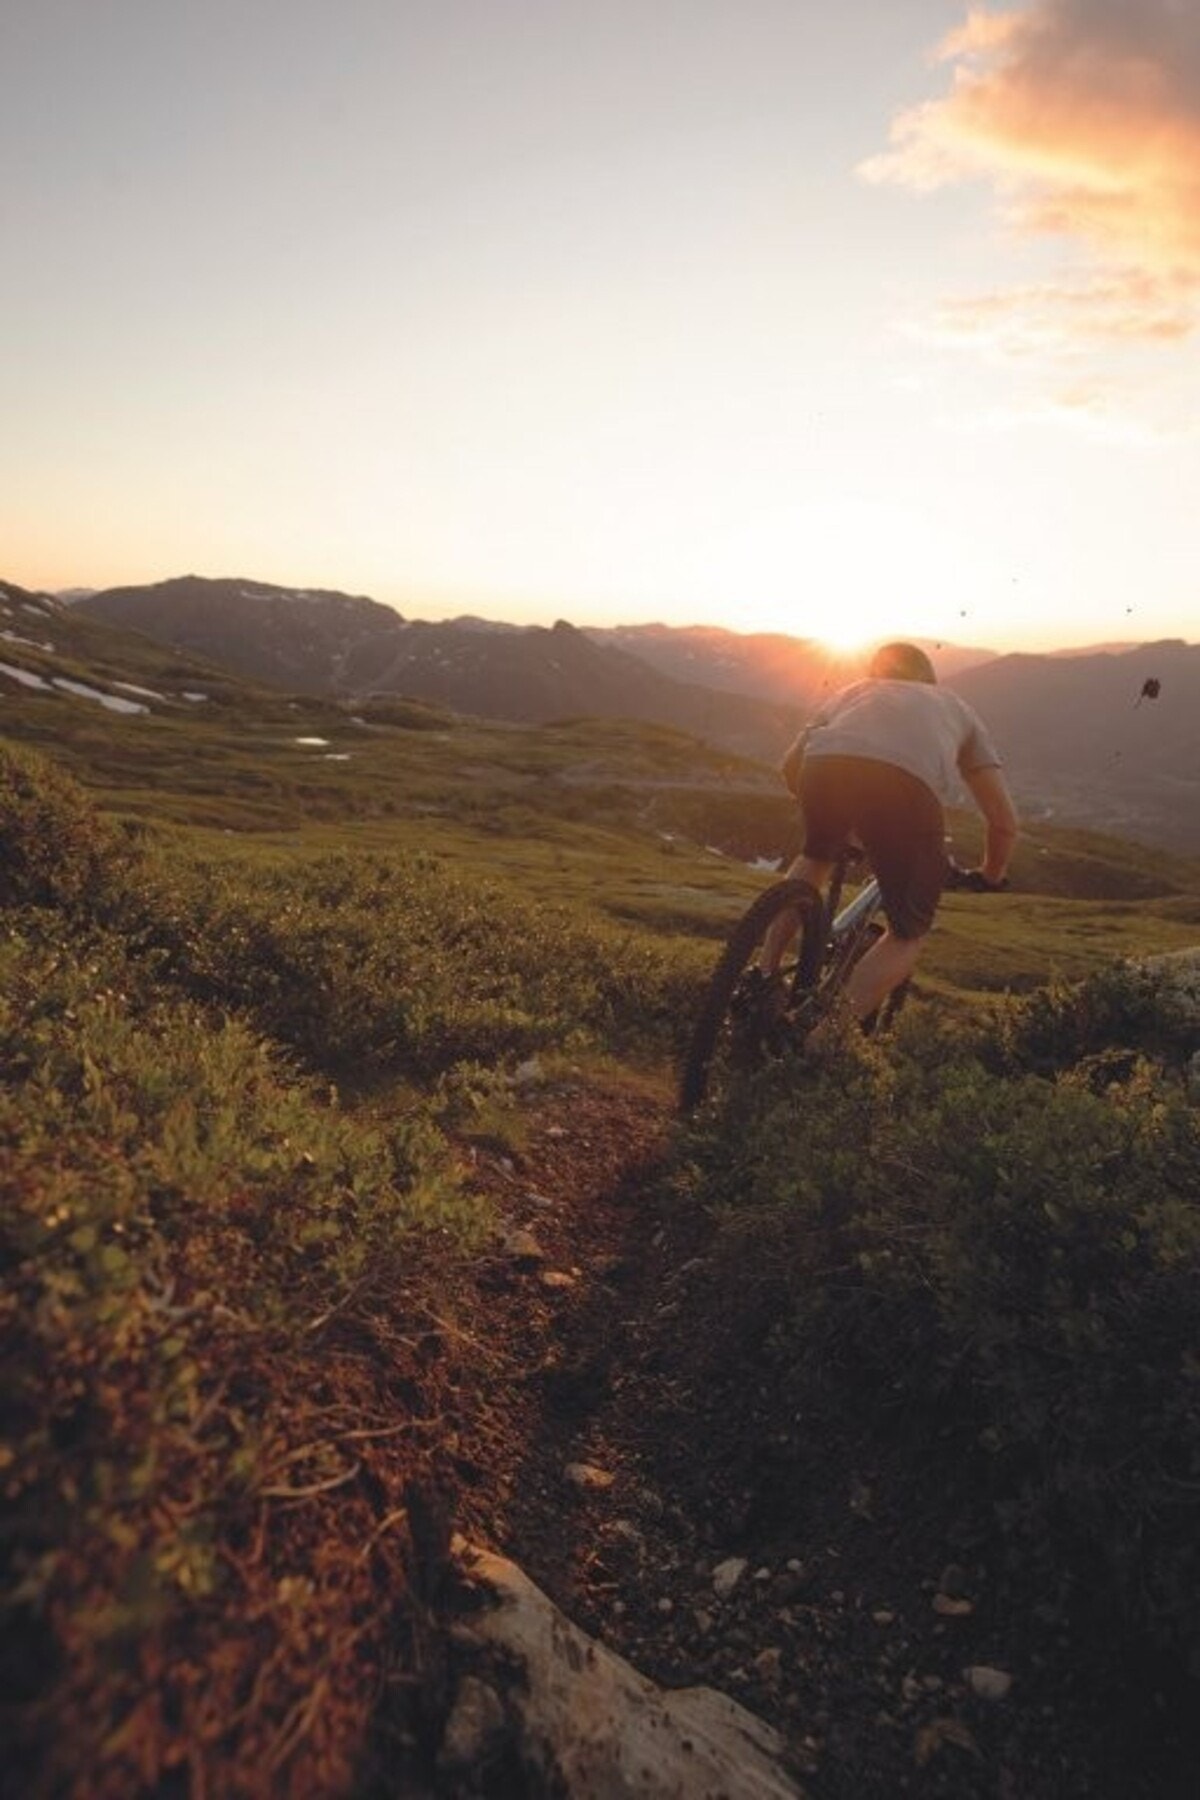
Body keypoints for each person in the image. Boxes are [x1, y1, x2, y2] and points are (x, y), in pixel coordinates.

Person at [762, 640, 1019, 1025]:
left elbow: (790, 765)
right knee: (907, 934)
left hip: (822, 767)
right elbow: (1003, 821)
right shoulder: (957, 708)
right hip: (905, 787)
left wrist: (838, 824)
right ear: (930, 680)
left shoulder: (854, 692)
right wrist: (991, 876)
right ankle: (819, 1039)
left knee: (816, 856)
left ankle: (762, 975)